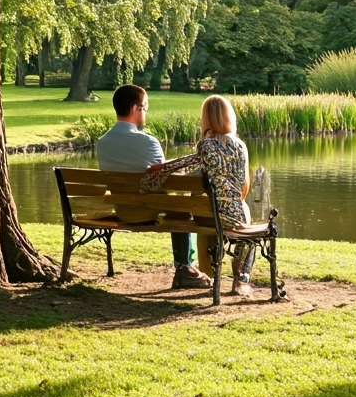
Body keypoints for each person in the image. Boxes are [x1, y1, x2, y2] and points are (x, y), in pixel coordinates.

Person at [94, 84, 211, 290]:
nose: (146, 113)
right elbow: (169, 178)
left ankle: (186, 268)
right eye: (145, 108)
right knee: (179, 205)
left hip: (122, 209)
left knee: (174, 202)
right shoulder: (149, 142)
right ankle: (184, 267)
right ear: (135, 109)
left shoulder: (102, 143)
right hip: (150, 211)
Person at [142, 94, 258, 297]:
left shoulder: (206, 145)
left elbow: (188, 163)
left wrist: (160, 169)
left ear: (206, 119)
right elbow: (242, 188)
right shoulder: (240, 146)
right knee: (244, 222)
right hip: (236, 216)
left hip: (211, 214)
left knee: (206, 218)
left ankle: (210, 274)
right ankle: (241, 275)